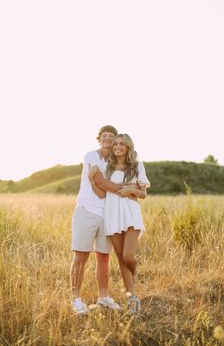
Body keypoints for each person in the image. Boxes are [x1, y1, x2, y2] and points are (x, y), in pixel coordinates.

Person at [89, 134, 150, 314]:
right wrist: (93, 180)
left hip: (130, 213)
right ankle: (133, 299)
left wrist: (132, 189)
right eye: (116, 144)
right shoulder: (107, 167)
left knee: (129, 257)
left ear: (128, 147)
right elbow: (102, 193)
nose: (118, 146)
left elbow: (144, 194)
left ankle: (135, 274)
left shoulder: (137, 166)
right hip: (112, 214)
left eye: (122, 144)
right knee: (121, 259)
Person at [71, 125, 124, 314]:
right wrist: (121, 188)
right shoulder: (90, 156)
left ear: (116, 140)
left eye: (111, 136)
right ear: (99, 139)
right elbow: (101, 186)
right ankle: (76, 299)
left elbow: (103, 188)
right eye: (104, 135)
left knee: (104, 257)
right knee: (81, 257)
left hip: (106, 214)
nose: (108, 138)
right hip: (86, 210)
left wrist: (103, 183)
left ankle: (103, 298)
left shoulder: (116, 162)